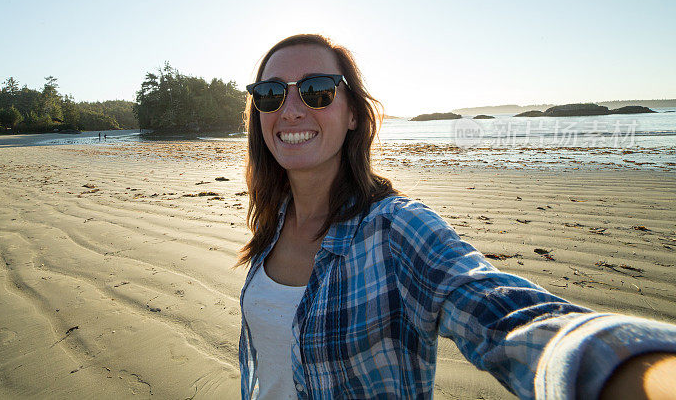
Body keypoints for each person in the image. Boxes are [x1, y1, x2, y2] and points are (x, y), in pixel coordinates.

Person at [236, 34, 676, 400]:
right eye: (272, 94)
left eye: (316, 90)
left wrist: (631, 370)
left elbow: (505, 315)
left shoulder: (396, 229)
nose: (290, 109)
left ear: (353, 113)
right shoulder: (272, 223)